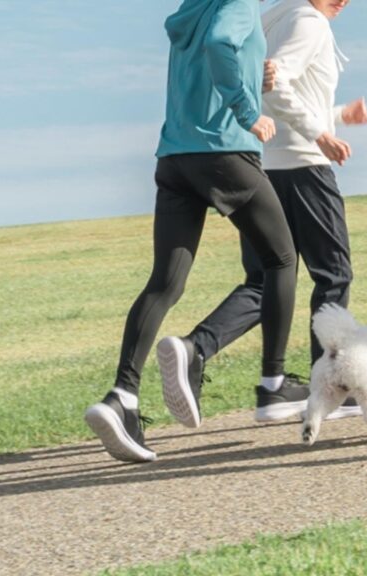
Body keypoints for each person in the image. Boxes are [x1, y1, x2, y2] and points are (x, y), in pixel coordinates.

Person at [84, 0, 294, 462]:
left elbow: (211, 62)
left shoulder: (193, 7)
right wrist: (247, 110)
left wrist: (252, 81)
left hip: (175, 158)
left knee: (166, 283)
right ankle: (274, 383)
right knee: (280, 260)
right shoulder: (237, 2)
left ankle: (123, 397)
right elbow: (221, 42)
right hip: (222, 153)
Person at [156, 0, 367, 427]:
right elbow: (277, 84)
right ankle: (327, 388)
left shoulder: (268, 19)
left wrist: (336, 115)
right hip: (305, 166)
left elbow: (264, 84)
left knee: (266, 278)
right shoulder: (308, 21)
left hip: (265, 166)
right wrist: (322, 134)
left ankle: (196, 349)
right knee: (333, 274)